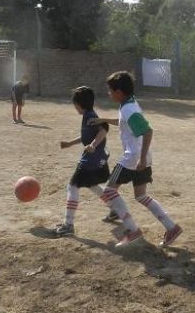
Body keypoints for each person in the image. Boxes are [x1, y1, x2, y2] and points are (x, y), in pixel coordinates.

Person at [89, 71, 183, 247]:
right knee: (141, 196)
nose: (108, 93)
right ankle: (172, 227)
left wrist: (139, 159)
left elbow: (147, 131)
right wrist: (103, 120)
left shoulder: (128, 108)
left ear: (119, 92)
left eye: (110, 90)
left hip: (133, 158)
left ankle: (132, 231)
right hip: (143, 157)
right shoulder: (129, 103)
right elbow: (124, 122)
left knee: (109, 191)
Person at [54, 86, 115, 236]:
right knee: (92, 185)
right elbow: (86, 136)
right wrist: (69, 143)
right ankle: (114, 209)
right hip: (97, 158)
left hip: (90, 160)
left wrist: (94, 145)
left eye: (74, 103)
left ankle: (68, 225)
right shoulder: (88, 115)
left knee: (72, 186)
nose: (74, 107)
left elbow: (103, 130)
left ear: (79, 104)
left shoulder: (89, 115)